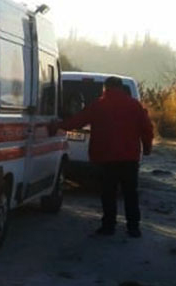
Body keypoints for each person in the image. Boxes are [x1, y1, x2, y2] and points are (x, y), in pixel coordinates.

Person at [51, 76, 155, 237]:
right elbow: (147, 129)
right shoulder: (135, 106)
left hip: (106, 157)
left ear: (105, 88)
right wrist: (147, 148)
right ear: (121, 88)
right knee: (130, 194)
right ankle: (133, 228)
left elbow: (77, 122)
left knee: (108, 193)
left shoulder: (99, 105)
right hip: (129, 158)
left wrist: (57, 126)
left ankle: (108, 226)